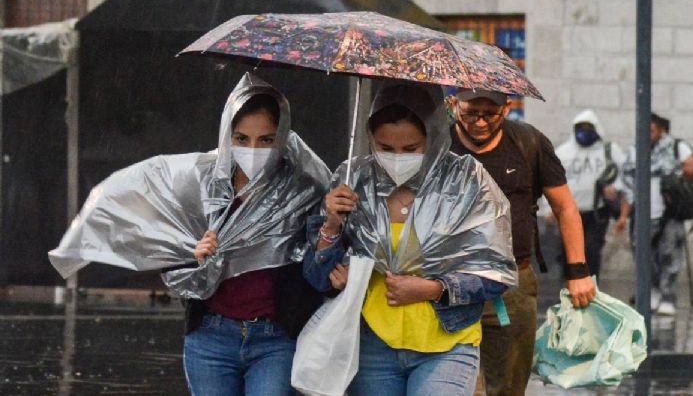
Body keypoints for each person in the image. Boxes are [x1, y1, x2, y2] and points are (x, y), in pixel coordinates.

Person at [303, 83, 517, 396]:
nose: (397, 158)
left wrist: (433, 289)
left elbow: (497, 272)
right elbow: (316, 277)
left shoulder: (468, 181)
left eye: (411, 149)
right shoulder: (352, 180)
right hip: (373, 343)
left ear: (434, 138)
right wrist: (332, 228)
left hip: (447, 342)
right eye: (385, 148)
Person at [182, 74, 329, 396]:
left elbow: (318, 267)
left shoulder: (304, 191)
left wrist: (331, 227)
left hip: (276, 338)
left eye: (266, 140)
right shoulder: (204, 187)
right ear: (227, 137)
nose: (252, 149)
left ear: (283, 139)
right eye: (242, 138)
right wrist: (192, 254)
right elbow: (172, 260)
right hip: (210, 337)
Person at [446, 89, 596, 396]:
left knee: (509, 386)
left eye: (490, 114)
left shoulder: (529, 143)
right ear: (453, 105)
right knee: (456, 385)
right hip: (449, 284)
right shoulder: (437, 144)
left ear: (507, 108)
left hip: (511, 283)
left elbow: (565, 207)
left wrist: (578, 271)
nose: (480, 123)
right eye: (471, 112)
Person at [622, 113, 693, 316]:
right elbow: (627, 182)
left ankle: (668, 297)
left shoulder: (677, 148)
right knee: (643, 256)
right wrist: (624, 215)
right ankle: (653, 292)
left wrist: (673, 177)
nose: (647, 135)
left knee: (669, 256)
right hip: (642, 213)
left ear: (661, 130)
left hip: (669, 213)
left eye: (651, 131)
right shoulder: (635, 151)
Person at [545, 109, 631, 282]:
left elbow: (626, 174)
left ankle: (592, 287)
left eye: (588, 128)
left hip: (596, 212)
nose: (584, 132)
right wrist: (548, 208)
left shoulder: (608, 151)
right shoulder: (564, 152)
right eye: (580, 128)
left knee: (591, 250)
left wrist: (615, 188)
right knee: (568, 252)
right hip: (569, 212)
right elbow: (550, 181)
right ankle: (569, 287)